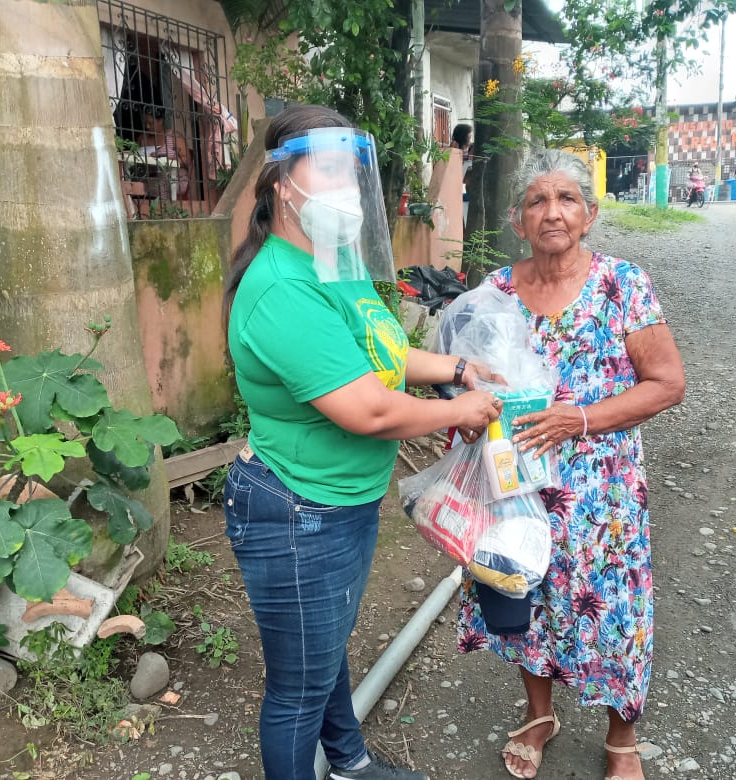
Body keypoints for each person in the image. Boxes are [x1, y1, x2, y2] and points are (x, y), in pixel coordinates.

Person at [221, 105, 502, 780]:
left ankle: (348, 764)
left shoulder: (332, 262)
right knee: (298, 689)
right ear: (281, 184)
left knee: (323, 651)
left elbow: (381, 352)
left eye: (352, 173)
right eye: (328, 170)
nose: (345, 188)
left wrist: (457, 368)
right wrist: (458, 409)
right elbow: (368, 409)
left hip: (337, 500)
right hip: (297, 509)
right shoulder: (281, 287)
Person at [454, 149, 686, 780]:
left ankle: (622, 738)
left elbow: (667, 383)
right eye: (537, 200)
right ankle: (539, 715)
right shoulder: (496, 292)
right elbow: (467, 378)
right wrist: (466, 412)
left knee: (613, 609)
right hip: (516, 486)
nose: (552, 212)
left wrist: (577, 419)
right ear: (517, 219)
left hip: (602, 491)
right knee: (523, 595)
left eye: (566, 199)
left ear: (590, 214)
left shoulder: (622, 284)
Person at [135, 107, 191, 199]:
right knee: (137, 185)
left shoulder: (174, 136)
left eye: (150, 123)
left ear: (160, 121)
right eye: (145, 123)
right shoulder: (142, 138)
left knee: (161, 184)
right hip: (150, 177)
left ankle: (164, 204)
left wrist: (168, 161)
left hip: (173, 177)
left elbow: (187, 160)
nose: (147, 126)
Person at [451, 123, 474, 226]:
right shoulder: (455, 147)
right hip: (457, 181)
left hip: (466, 183)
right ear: (463, 135)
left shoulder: (470, 148)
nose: (470, 138)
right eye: (469, 135)